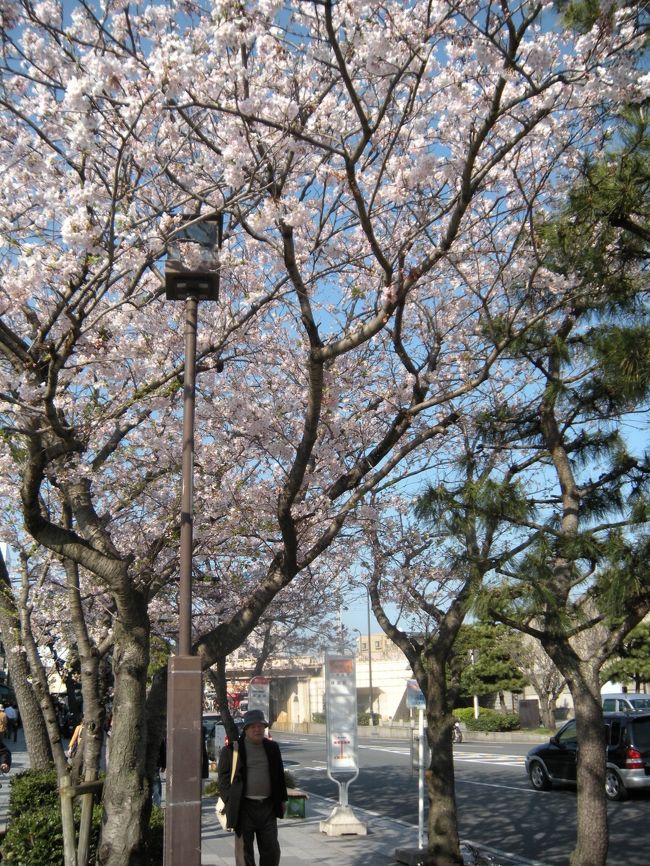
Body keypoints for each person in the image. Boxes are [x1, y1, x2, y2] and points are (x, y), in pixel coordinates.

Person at [217, 709, 287, 866]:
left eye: (261, 726)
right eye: (253, 726)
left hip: (268, 807)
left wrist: (282, 800)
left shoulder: (272, 748)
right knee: (244, 852)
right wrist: (230, 801)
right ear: (246, 729)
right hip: (244, 807)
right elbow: (223, 780)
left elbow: (279, 776)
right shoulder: (232, 750)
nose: (257, 729)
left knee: (271, 850)